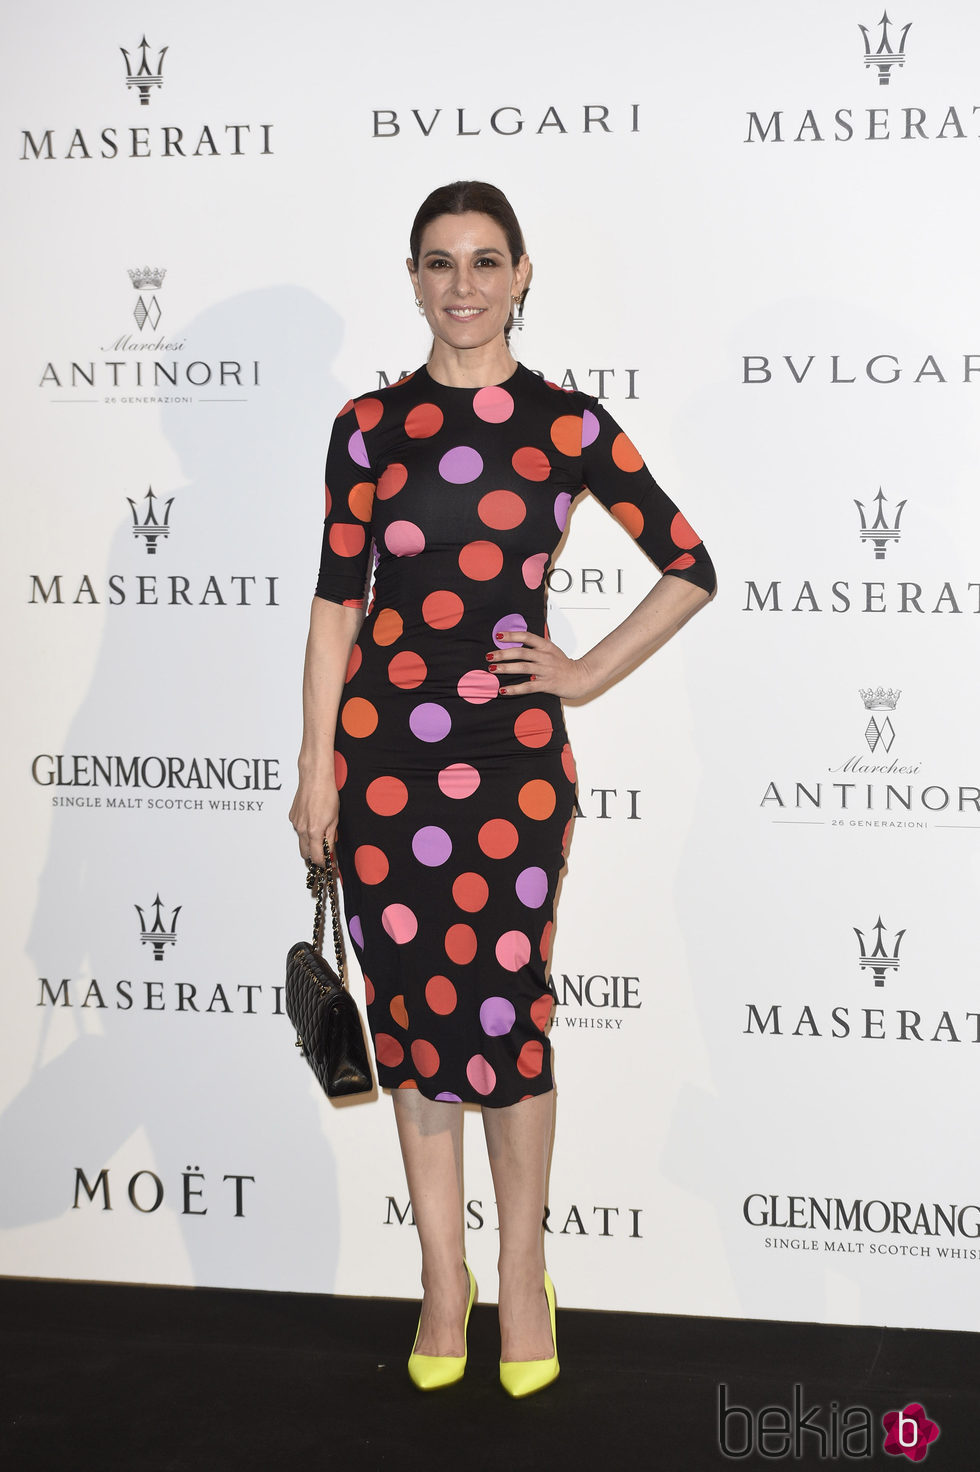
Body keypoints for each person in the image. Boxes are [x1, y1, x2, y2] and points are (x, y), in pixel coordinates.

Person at [289, 180, 715, 1397]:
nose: (462, 284)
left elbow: (687, 564)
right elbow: (335, 604)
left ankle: (521, 1274)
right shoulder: (367, 427)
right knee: (414, 1018)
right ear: (412, 279)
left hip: (510, 767)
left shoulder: (566, 425)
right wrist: (315, 763)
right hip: (381, 761)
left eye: (485, 261)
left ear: (521, 274)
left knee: (506, 1014)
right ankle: (442, 1276)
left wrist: (580, 671)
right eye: (440, 262)